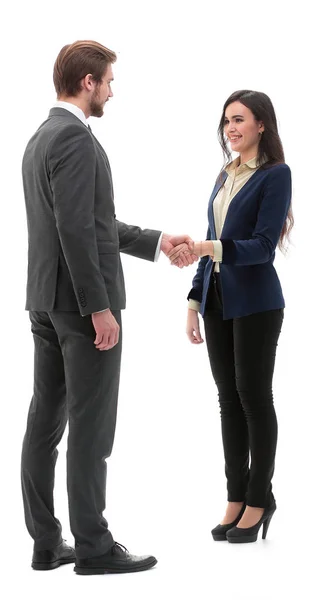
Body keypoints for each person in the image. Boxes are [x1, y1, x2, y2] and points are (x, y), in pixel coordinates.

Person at [21, 40, 197, 575]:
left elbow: (89, 225)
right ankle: (93, 548)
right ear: (88, 82)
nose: (112, 90)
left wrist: (158, 239)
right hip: (80, 306)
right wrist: (99, 308)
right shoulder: (74, 140)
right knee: (91, 427)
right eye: (109, 81)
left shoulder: (39, 138)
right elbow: (76, 229)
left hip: (46, 301)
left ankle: (48, 543)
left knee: (45, 422)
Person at [169, 90, 293, 544]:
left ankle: (260, 498)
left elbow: (261, 247)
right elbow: (210, 237)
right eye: (226, 122)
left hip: (258, 303)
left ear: (262, 124)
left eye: (239, 119)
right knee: (227, 401)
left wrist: (207, 248)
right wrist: (193, 303)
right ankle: (235, 496)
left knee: (253, 398)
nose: (231, 128)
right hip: (218, 301)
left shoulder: (276, 175)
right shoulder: (225, 174)